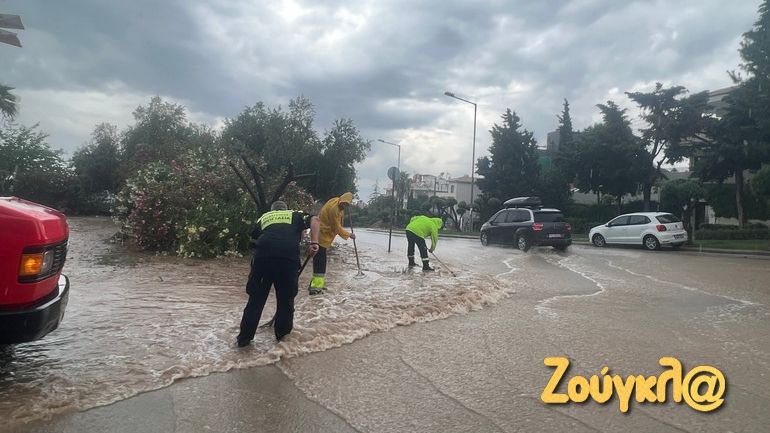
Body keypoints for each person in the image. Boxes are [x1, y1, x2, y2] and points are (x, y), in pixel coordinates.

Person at [237, 201, 320, 346]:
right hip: (287, 260)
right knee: (286, 301)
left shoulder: (264, 218)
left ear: (273, 210)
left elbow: (253, 241)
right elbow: (316, 220)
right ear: (285, 209)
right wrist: (314, 243)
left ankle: (243, 340)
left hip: (263, 260)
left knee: (255, 301)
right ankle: (283, 342)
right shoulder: (295, 215)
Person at [309, 192, 356, 295]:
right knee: (320, 263)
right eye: (344, 204)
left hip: (323, 236)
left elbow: (338, 223)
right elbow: (336, 227)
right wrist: (349, 235)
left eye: (347, 204)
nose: (344, 206)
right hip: (320, 236)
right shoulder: (334, 209)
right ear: (341, 201)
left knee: (320, 262)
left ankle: (318, 285)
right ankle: (315, 288)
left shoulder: (337, 202)